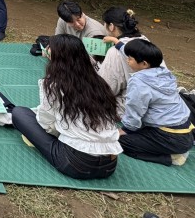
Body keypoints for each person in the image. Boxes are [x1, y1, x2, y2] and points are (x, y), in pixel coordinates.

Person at [11, 34, 122, 180]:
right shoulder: (99, 82)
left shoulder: (52, 84)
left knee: (19, 113)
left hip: (76, 164)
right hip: (110, 165)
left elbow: (45, 123)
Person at [118, 40, 194, 166]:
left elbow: (135, 108)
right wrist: (118, 44)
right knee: (138, 130)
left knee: (121, 142)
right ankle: (175, 150)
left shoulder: (139, 82)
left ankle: (171, 158)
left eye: (130, 58)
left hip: (169, 136)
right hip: (185, 132)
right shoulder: (163, 72)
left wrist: (125, 129)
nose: (127, 61)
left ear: (144, 64)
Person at [97, 7, 161, 115]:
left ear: (111, 26)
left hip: (134, 108)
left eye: (105, 23)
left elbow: (106, 89)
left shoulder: (115, 52)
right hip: (156, 100)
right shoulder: (143, 40)